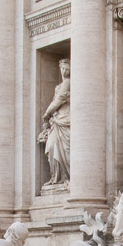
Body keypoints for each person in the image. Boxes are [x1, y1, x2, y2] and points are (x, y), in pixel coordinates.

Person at [38, 58, 71, 186]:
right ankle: (56, 177)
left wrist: (46, 115)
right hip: (57, 120)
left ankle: (66, 176)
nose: (64, 71)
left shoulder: (68, 83)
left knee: (65, 149)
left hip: (65, 118)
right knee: (52, 146)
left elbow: (58, 101)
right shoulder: (59, 86)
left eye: (67, 68)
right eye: (62, 68)